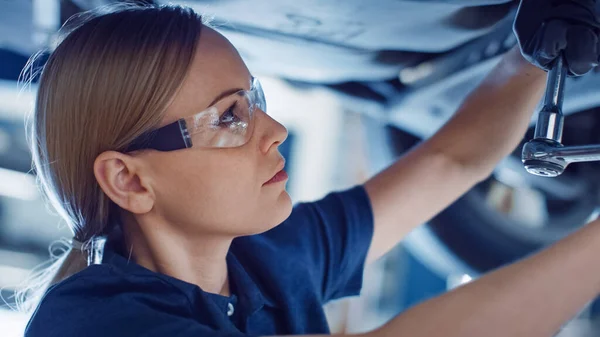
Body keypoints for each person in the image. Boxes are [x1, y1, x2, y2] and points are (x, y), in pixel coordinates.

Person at [18, 1, 600, 336]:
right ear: (131, 180)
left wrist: (536, 51)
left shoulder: (259, 259)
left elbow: (450, 161)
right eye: (229, 117)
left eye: (255, 101)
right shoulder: (97, 326)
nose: (275, 133)